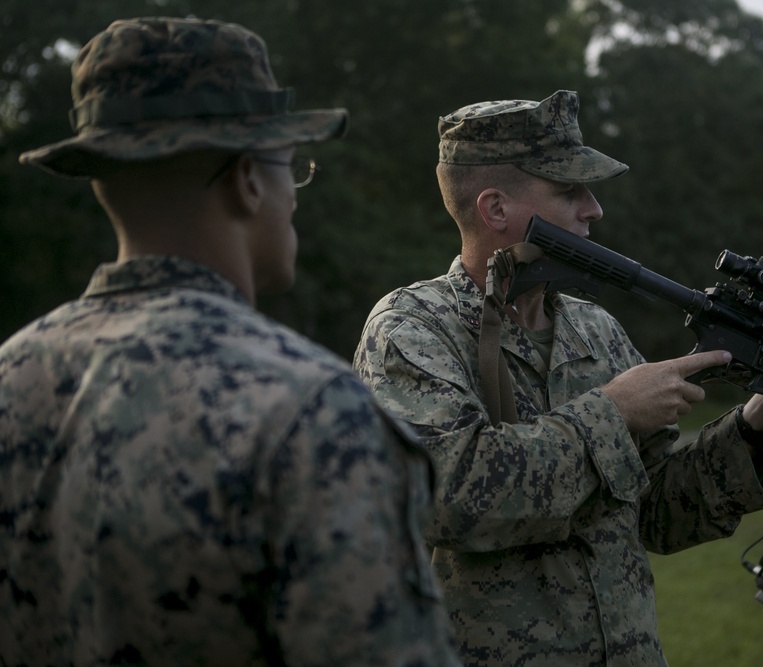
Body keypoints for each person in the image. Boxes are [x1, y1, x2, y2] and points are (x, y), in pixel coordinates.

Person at [352, 89, 763, 666]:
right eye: (569, 190)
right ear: (495, 209)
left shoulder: (595, 330)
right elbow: (447, 498)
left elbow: (657, 514)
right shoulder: (411, 329)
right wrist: (613, 412)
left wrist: (756, 421)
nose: (593, 208)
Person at [0, 17, 460, 666]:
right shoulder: (310, 414)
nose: (294, 197)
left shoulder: (9, 380)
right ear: (248, 179)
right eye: (290, 167)